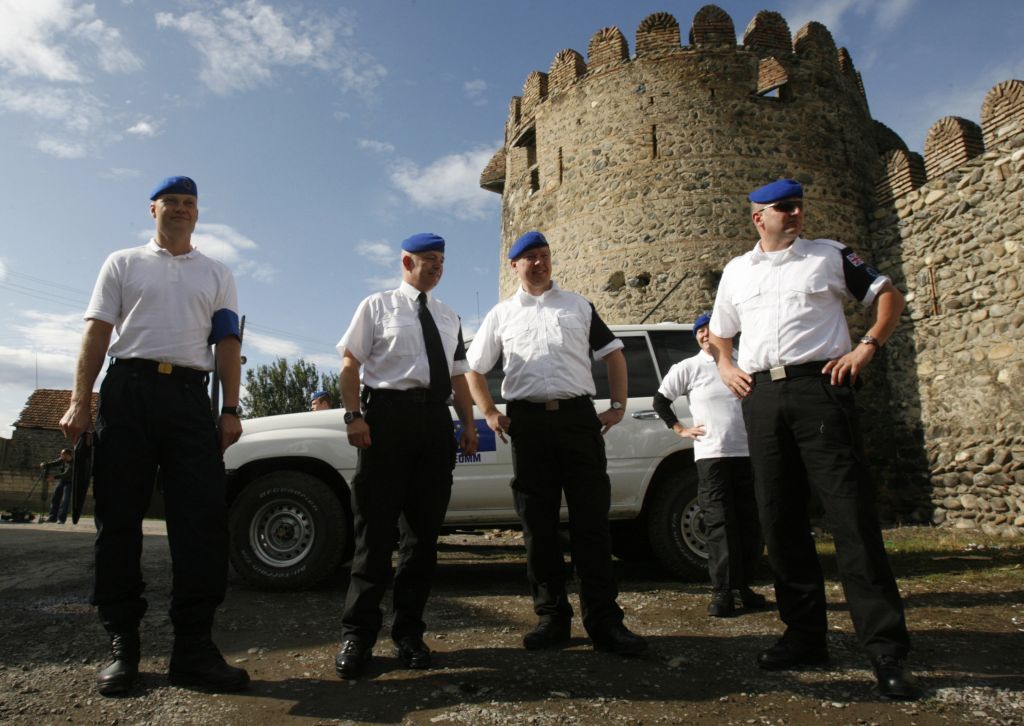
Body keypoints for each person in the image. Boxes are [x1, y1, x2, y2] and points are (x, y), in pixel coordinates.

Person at [707, 178, 917, 699]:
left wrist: (867, 347)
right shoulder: (736, 270)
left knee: (851, 518)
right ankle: (804, 636)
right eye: (785, 207)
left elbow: (888, 295)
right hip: (762, 397)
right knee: (779, 519)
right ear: (758, 217)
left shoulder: (829, 255)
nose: (796, 213)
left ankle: (886, 650)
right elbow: (721, 330)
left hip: (820, 388)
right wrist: (726, 364)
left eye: (799, 206)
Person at [59, 175, 249, 696]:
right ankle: (123, 646)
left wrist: (230, 409)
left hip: (189, 398)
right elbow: (98, 331)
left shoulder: (217, 272)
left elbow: (227, 343)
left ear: (197, 213)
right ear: (153, 209)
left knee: (201, 524)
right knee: (118, 521)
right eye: (171, 202)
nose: (181, 209)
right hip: (128, 392)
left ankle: (194, 650)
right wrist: (80, 400)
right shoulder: (122, 263)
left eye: (189, 203)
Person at [465, 231, 647, 657]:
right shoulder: (501, 315)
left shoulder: (578, 306)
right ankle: (551, 618)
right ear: (514, 265)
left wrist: (618, 405)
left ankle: (605, 622)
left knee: (591, 522)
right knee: (538, 525)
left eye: (544, 255)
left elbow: (614, 354)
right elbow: (474, 369)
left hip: (578, 420)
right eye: (530, 256)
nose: (540, 262)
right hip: (527, 424)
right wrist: (489, 412)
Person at [334, 232, 478, 679]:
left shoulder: (449, 316)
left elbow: (459, 376)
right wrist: (354, 416)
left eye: (441, 260)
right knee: (374, 533)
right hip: (387, 420)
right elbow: (350, 363)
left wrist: (468, 424)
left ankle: (409, 633)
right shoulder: (376, 306)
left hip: (434, 424)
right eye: (428, 258)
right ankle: (358, 635)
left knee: (422, 537)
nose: (436, 266)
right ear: (406, 261)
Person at [652, 313, 765, 617]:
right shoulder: (688, 367)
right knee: (719, 523)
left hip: (747, 454)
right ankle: (722, 592)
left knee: (749, 523)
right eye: (699, 332)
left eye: (708, 330)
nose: (704, 335)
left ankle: (743, 587)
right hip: (712, 455)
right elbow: (660, 401)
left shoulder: (745, 362)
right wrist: (680, 429)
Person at [41, 448, 74, 524]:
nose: (61, 456)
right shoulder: (62, 460)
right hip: (62, 481)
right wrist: (45, 464)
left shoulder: (72, 463)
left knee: (65, 500)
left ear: (67, 455)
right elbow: (53, 463)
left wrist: (54, 477)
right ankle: (52, 517)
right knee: (55, 498)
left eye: (62, 454)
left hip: (69, 482)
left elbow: (66, 474)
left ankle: (61, 519)